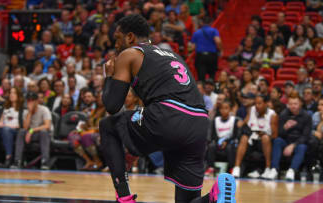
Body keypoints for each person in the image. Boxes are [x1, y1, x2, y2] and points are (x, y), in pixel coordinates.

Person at [99, 14, 236, 203]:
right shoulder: (172, 55)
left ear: (130, 37)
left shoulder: (130, 53)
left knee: (107, 126)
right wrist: (133, 147)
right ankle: (214, 196)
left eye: (117, 39)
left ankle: (124, 197)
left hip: (169, 114)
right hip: (198, 123)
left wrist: (109, 76)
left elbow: (112, 106)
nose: (115, 45)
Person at [231, 95, 278, 179]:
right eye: (255, 103)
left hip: (265, 142)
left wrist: (264, 133)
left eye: (259, 103)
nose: (257, 106)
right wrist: (240, 123)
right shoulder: (251, 110)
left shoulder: (272, 115)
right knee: (244, 137)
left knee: (265, 138)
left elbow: (274, 135)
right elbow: (244, 123)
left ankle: (268, 168)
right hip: (252, 139)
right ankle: (236, 167)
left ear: (266, 104)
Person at [269, 92, 312, 180]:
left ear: (300, 104)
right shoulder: (284, 114)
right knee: (277, 141)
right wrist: (285, 128)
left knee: (302, 147)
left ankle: (292, 170)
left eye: (295, 104)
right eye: (291, 104)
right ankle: (274, 169)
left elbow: (306, 136)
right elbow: (280, 134)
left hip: (298, 142)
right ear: (288, 104)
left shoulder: (306, 116)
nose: (293, 106)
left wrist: (293, 145)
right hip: (286, 141)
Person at [11, 92, 52, 170]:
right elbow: (25, 128)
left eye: (32, 100)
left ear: (37, 101)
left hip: (41, 134)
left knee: (44, 132)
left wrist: (31, 130)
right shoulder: (26, 112)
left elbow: (47, 126)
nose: (30, 102)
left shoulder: (44, 109)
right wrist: (29, 112)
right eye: (29, 100)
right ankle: (17, 161)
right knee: (21, 132)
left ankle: (45, 162)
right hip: (30, 135)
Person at [0, 87, 26, 168]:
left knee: (6, 129)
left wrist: (6, 126)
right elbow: (0, 120)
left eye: (14, 93)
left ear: (19, 95)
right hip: (4, 128)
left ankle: (8, 157)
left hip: (15, 130)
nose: (12, 95)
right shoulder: (5, 107)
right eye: (11, 93)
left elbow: (21, 125)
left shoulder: (22, 108)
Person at [205, 100, 240, 176]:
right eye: (221, 108)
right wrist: (219, 141)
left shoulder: (234, 120)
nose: (223, 110)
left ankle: (231, 168)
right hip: (218, 142)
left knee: (230, 147)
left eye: (226, 108)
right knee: (211, 146)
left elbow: (235, 135)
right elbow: (213, 135)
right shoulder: (215, 120)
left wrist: (226, 141)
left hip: (230, 142)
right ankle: (211, 168)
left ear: (230, 110)